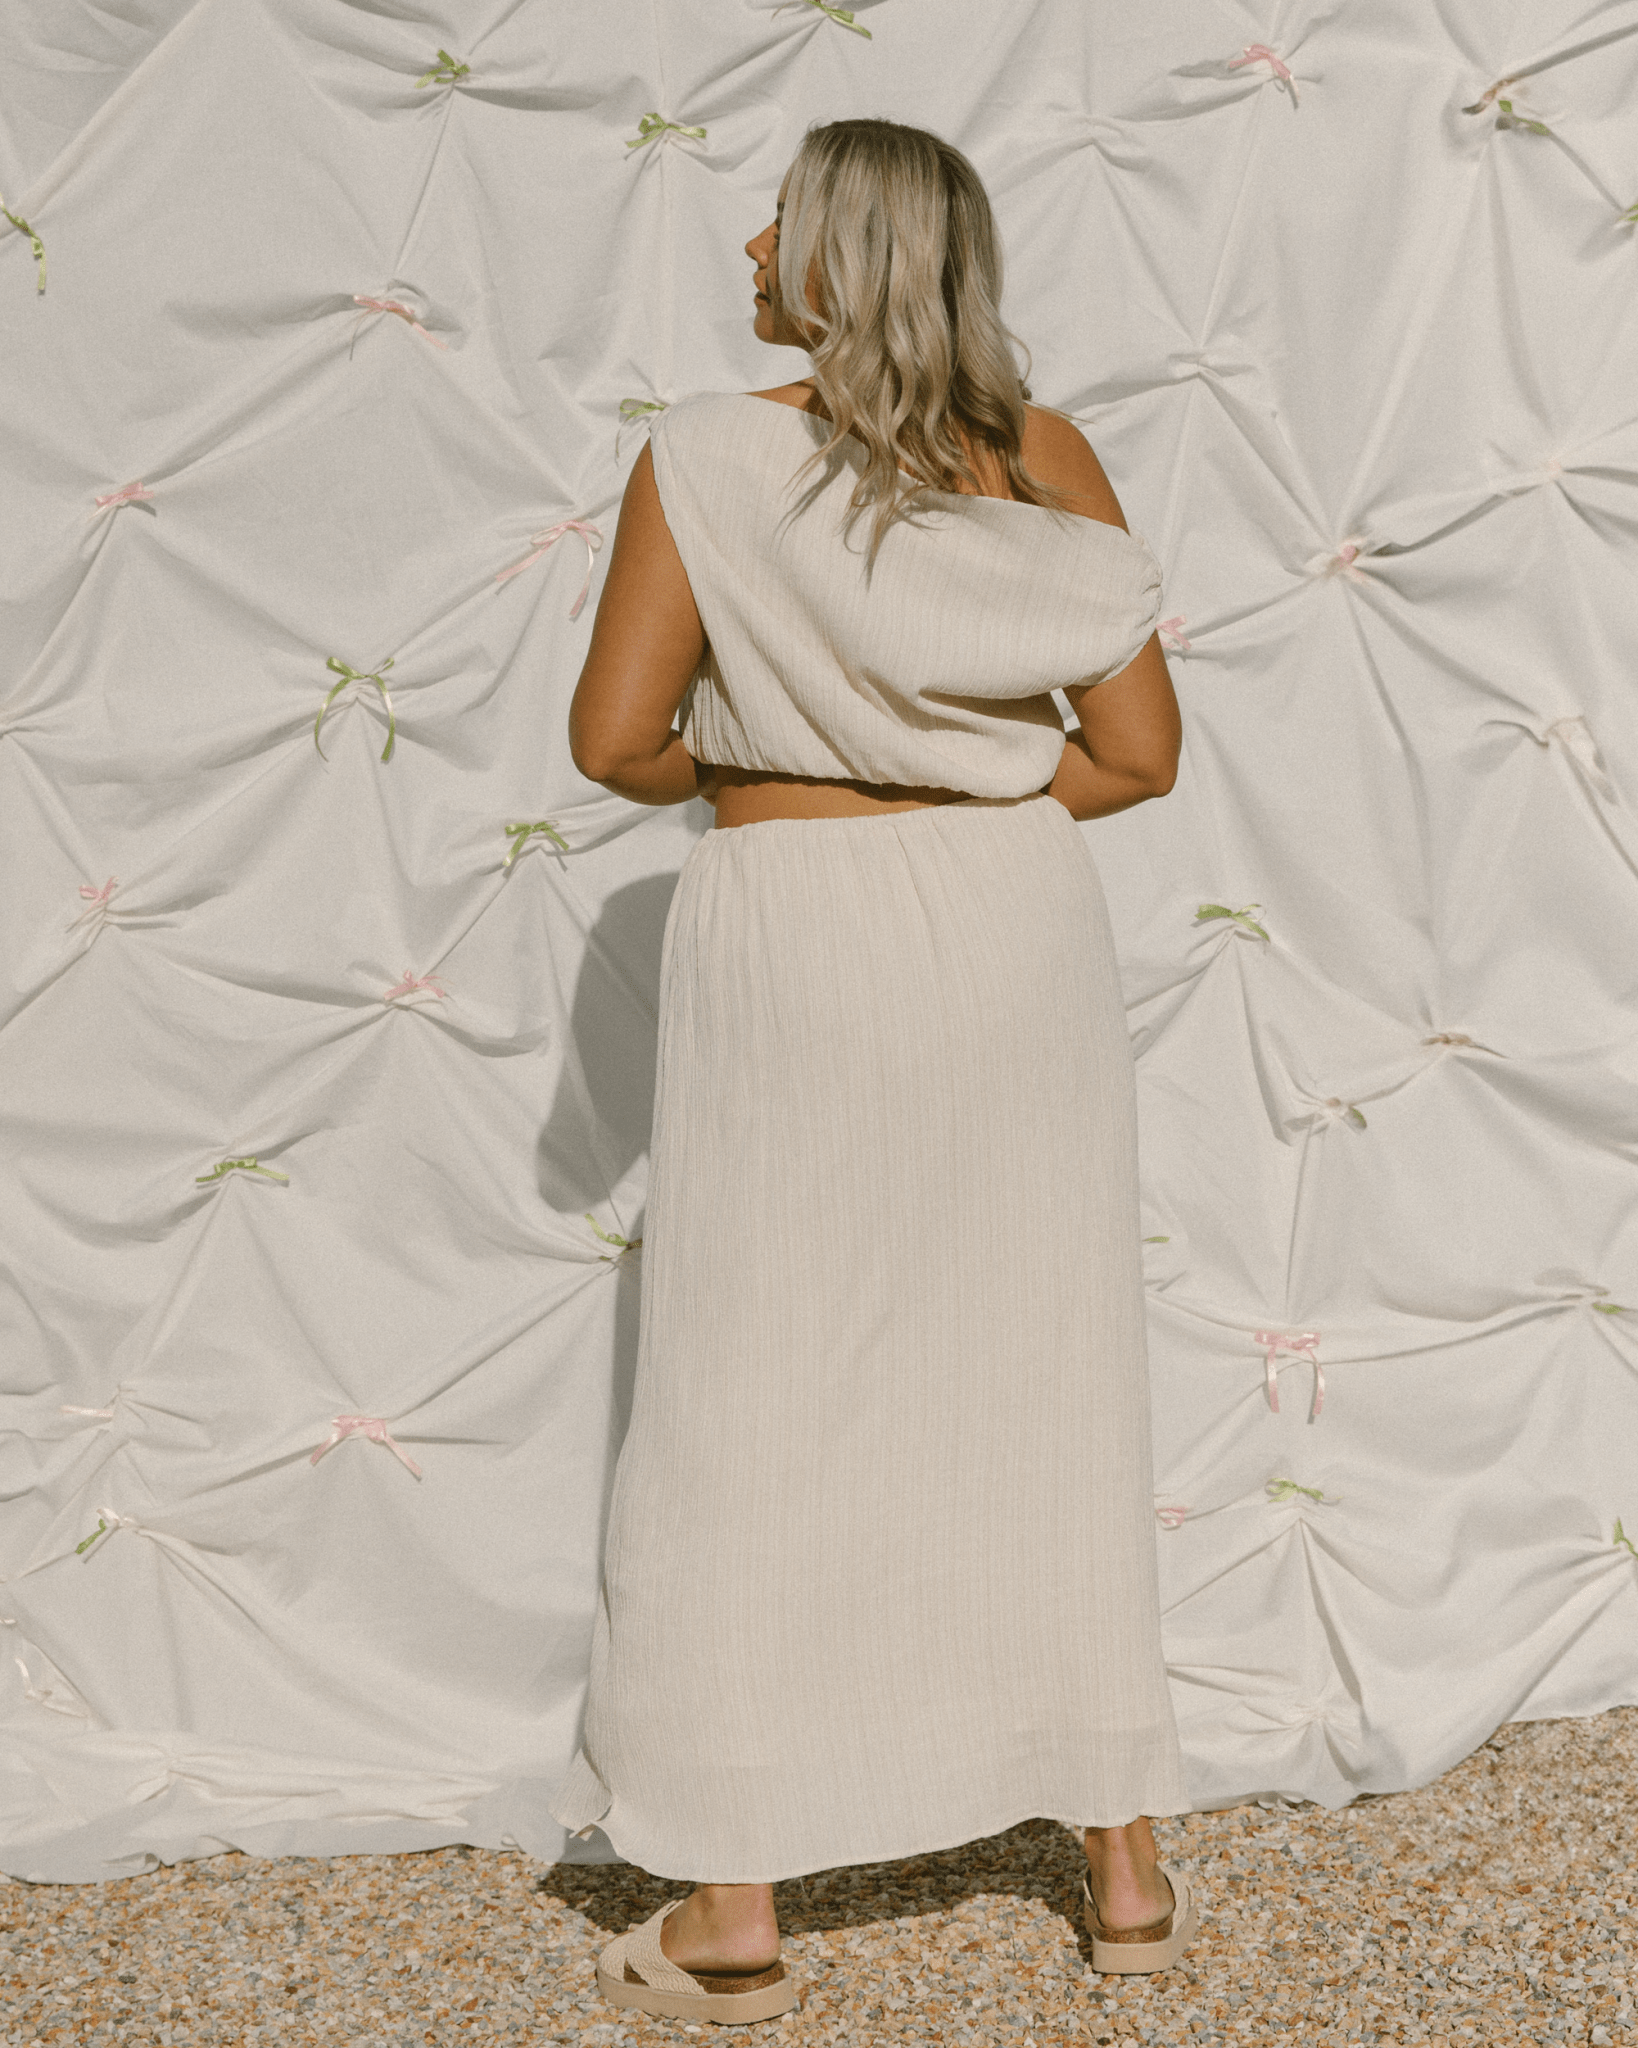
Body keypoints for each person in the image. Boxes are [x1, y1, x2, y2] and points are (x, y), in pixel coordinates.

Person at [550, 116, 1195, 2027]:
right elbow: (1140, 753)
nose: (747, 235)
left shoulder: (708, 453)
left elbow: (610, 741)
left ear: (833, 254)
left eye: (778, 212)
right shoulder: (1049, 454)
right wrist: (973, 793)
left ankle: (735, 1901)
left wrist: (772, 777)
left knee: (754, 1370)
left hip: (792, 922)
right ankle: (1126, 1871)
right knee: (1041, 1350)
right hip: (1016, 928)